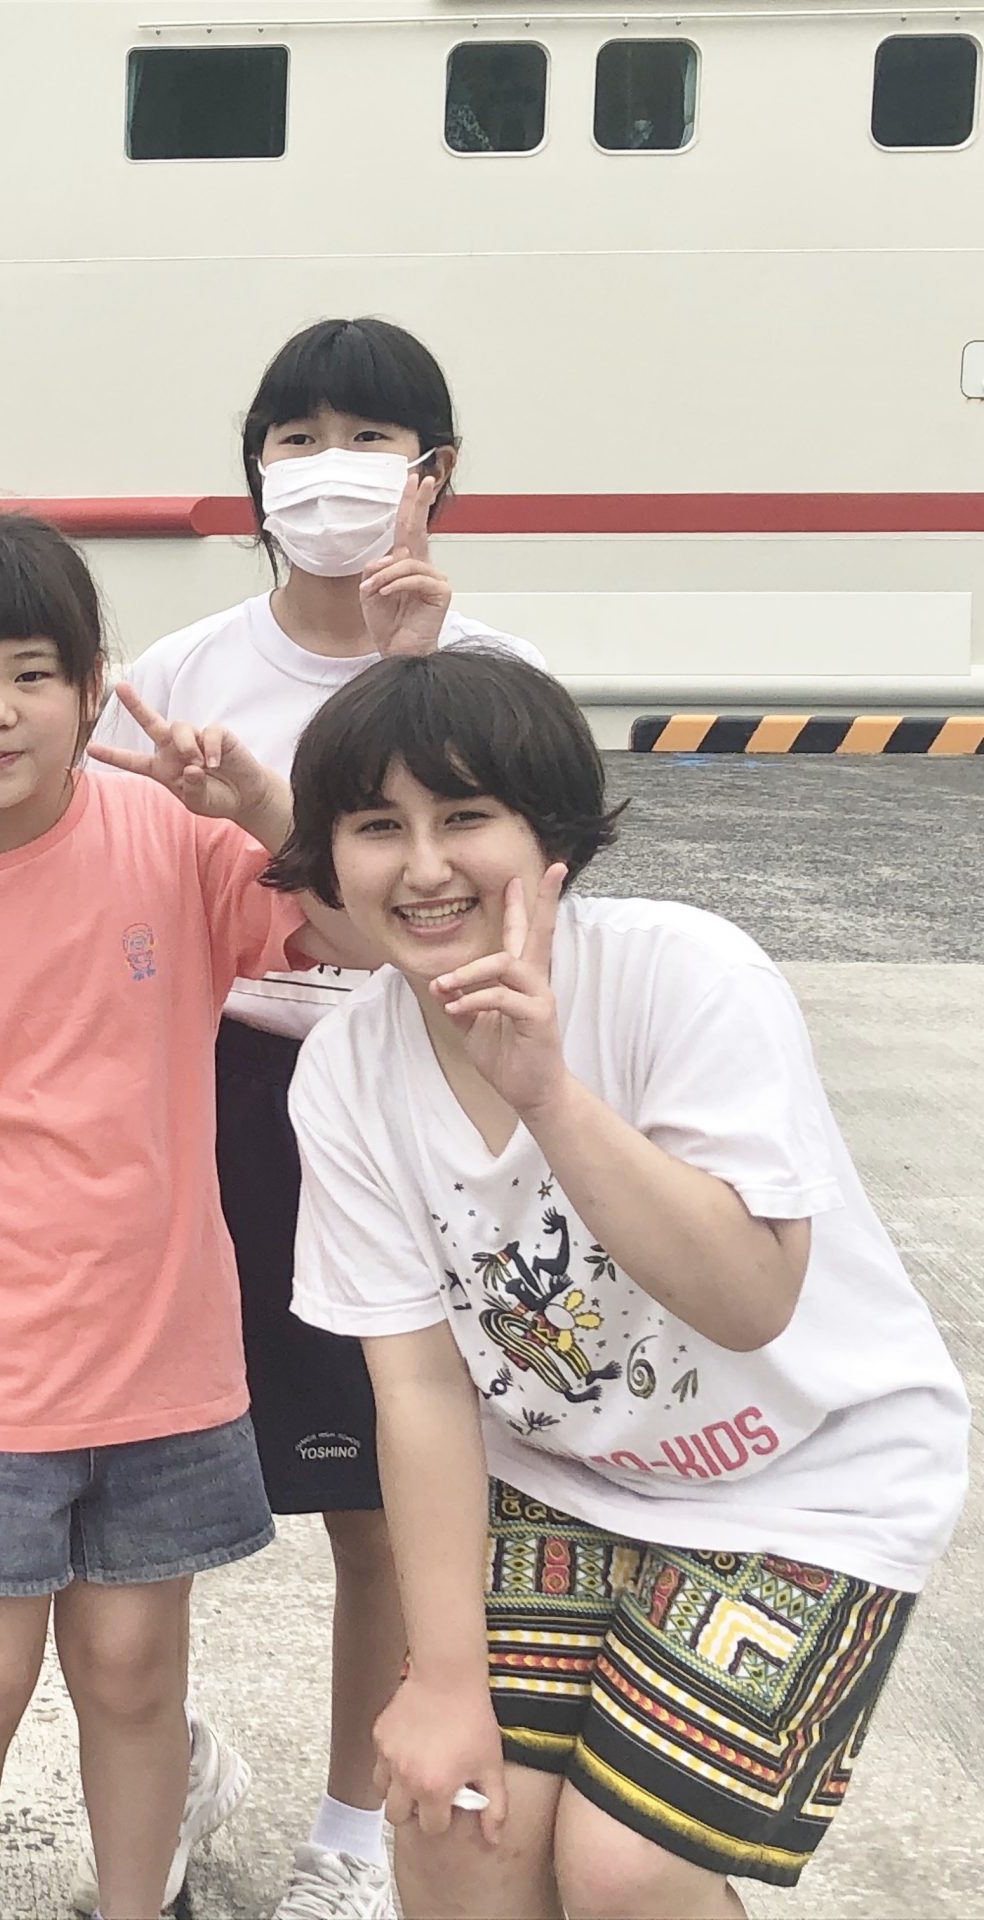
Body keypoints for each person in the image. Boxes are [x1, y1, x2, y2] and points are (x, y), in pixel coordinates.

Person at [269, 648, 966, 1918]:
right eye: (375, 827)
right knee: (453, 1825)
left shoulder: (685, 976)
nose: (422, 866)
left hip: (805, 1476)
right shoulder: (345, 1074)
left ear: (552, 835)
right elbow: (418, 1390)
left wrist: (548, 1093)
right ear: (328, 859)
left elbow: (749, 1301)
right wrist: (443, 1683)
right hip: (561, 1479)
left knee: (622, 1868)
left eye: (463, 815)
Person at [0, 510, 372, 1920]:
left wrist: (263, 806)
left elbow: (359, 930)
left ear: (90, 682)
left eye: (32, 673)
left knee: (133, 1671)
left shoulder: (169, 837)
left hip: (164, 1348)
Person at [83, 315, 545, 1919]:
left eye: (366, 437)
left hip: (428, 1098)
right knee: (155, 1488)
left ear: (435, 473)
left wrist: (407, 677)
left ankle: (353, 1832)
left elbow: (517, 923)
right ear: (255, 472)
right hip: (222, 1092)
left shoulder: (497, 681)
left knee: (378, 1505)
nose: (326, 466)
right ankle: (161, 1771)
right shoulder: (178, 679)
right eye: (295, 438)